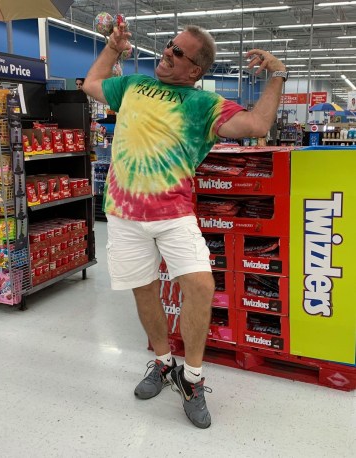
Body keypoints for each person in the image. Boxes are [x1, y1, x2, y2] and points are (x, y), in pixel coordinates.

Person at [83, 23, 287, 429]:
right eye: (169, 46)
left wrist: (278, 74)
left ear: (195, 70)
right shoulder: (134, 85)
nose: (167, 53)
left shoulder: (204, 103)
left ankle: (191, 379)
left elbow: (257, 125)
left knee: (200, 286)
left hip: (173, 214)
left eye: (178, 52)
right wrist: (113, 48)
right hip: (123, 215)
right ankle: (163, 363)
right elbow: (92, 84)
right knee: (144, 290)